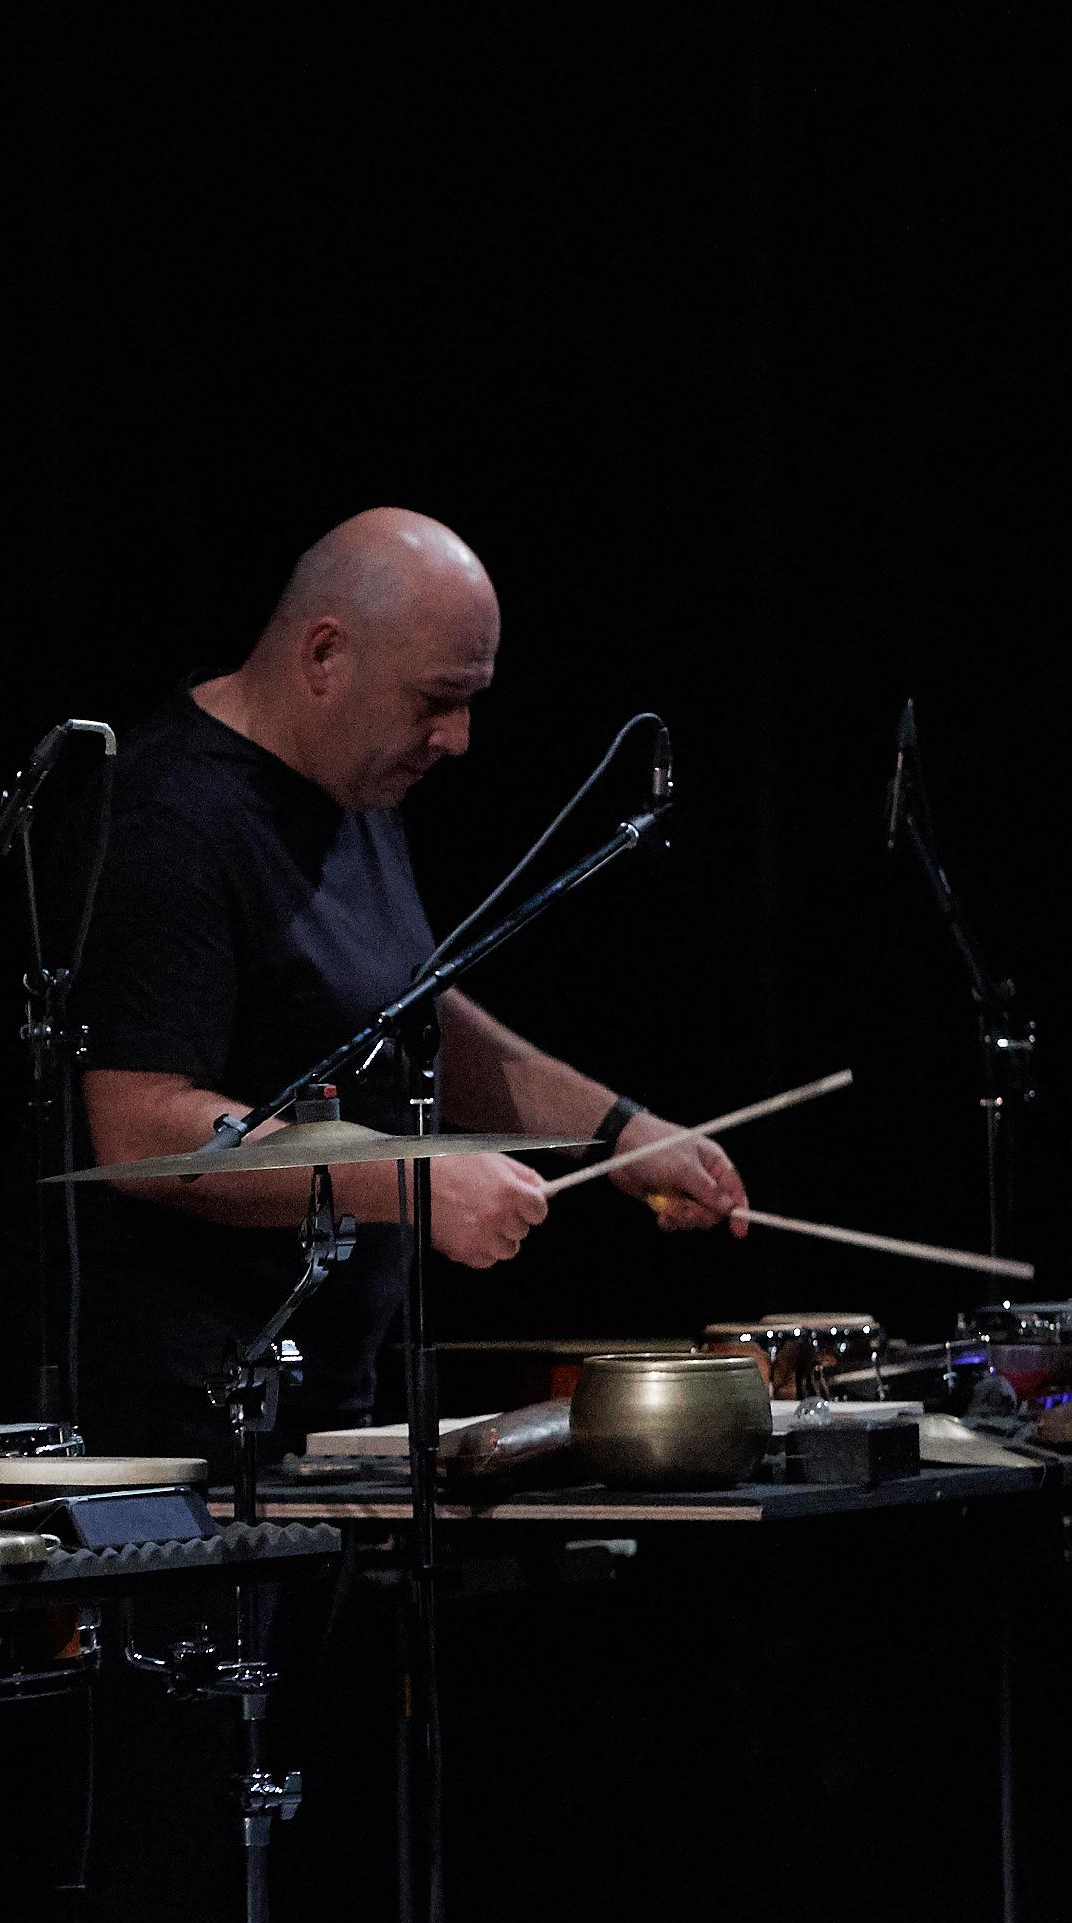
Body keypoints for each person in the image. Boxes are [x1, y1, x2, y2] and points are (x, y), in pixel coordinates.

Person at [54, 507, 750, 1461]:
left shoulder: (354, 783)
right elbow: (143, 1129)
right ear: (325, 655)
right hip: (186, 1431)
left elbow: (407, 1014)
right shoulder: (164, 821)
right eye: (435, 700)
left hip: (331, 1396)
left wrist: (621, 1131)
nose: (459, 738)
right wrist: (412, 1180)